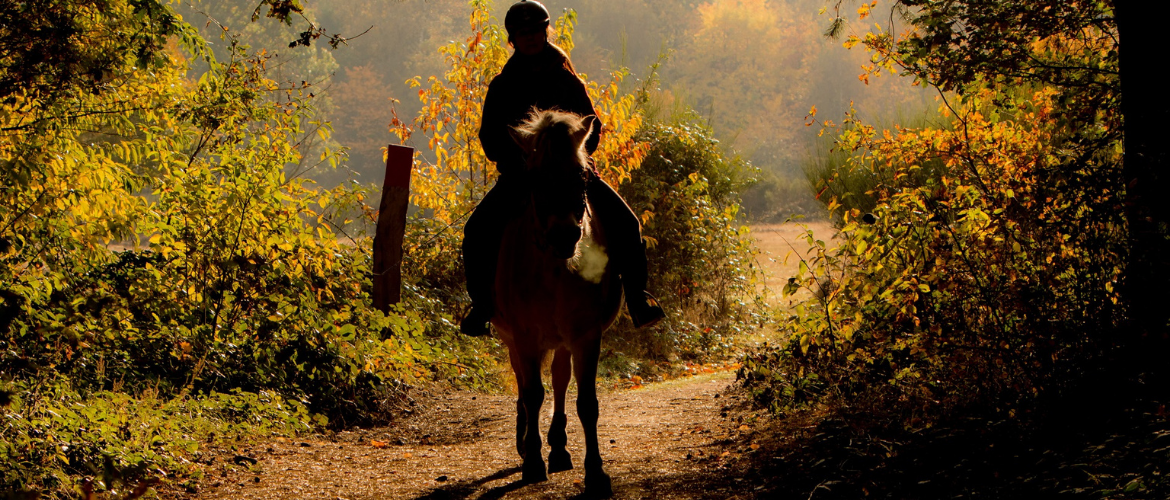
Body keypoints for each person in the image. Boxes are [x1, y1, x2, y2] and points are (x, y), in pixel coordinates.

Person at [460, 0, 666, 337]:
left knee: (627, 223)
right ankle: (482, 305)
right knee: (477, 231)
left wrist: (576, 154)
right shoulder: (502, 86)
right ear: (512, 39)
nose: (530, 38)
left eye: (536, 31)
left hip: (572, 174)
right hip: (522, 177)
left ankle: (637, 300)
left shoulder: (568, 79)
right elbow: (490, 137)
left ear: (546, 31)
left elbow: (593, 126)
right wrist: (518, 162)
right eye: (523, 33)